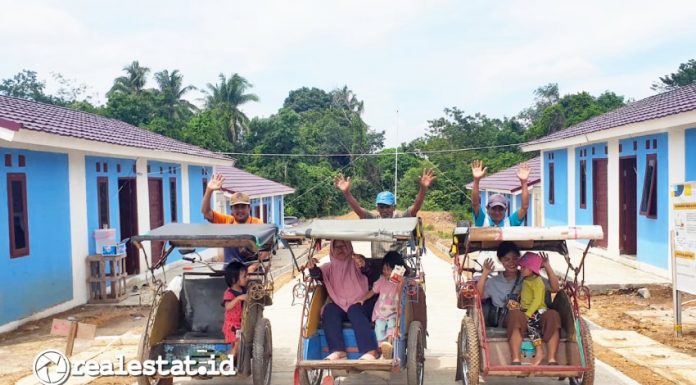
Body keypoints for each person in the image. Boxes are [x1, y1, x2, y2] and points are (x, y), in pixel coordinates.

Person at [476, 242, 561, 366]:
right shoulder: (494, 282)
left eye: (515, 258)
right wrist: (485, 273)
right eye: (507, 259)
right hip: (510, 319)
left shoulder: (530, 275)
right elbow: (479, 296)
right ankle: (516, 359)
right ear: (500, 261)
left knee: (553, 314)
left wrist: (547, 266)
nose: (512, 262)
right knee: (516, 314)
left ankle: (552, 359)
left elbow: (555, 288)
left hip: (534, 316)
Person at [334, 169, 436, 257]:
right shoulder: (374, 219)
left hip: (398, 264)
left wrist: (423, 189)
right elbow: (358, 210)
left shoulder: (401, 218)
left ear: (394, 207)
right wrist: (346, 193)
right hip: (378, 264)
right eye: (381, 207)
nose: (384, 210)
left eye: (387, 207)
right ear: (377, 208)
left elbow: (415, 208)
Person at [306, 240, 379, 360]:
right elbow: (317, 275)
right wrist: (312, 267)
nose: (340, 249)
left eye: (343, 246)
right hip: (340, 305)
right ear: (332, 250)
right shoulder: (328, 268)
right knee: (329, 311)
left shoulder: (358, 263)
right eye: (336, 246)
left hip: (363, 303)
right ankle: (338, 351)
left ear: (349, 247)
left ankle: (371, 351)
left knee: (354, 310)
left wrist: (364, 265)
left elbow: (369, 272)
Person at [201, 173, 263, 264]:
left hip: (251, 270)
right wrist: (209, 190)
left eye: (243, 207)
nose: (240, 210)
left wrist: (252, 268)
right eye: (236, 207)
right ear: (231, 210)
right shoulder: (226, 221)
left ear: (249, 208)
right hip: (230, 270)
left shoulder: (257, 224)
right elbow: (206, 212)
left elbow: (265, 250)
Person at [356, 251, 405, 359]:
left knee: (392, 326)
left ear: (397, 269)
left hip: (394, 312)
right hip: (381, 313)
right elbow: (373, 291)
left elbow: (401, 294)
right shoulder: (381, 280)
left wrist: (400, 281)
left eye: (389, 269)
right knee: (379, 328)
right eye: (384, 269)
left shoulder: (401, 282)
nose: (386, 272)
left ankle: (389, 346)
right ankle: (382, 349)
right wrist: (363, 299)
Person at [470, 160, 530, 227]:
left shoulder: (510, 223)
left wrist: (524, 182)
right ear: (487, 208)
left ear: (506, 209)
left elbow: (524, 207)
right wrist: (476, 180)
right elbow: (475, 204)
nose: (497, 212)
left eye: (500, 209)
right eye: (494, 208)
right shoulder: (482, 221)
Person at [518, 252, 548, 365]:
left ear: (531, 269)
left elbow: (537, 300)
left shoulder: (537, 282)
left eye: (523, 267)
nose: (521, 269)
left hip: (537, 309)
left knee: (531, 326)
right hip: (526, 309)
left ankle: (539, 351)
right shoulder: (526, 279)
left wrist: (528, 314)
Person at [222, 261, 248, 359]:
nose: (247, 278)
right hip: (232, 325)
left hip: (241, 323)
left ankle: (232, 358)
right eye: (244, 276)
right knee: (237, 343)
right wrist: (238, 298)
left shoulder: (244, 290)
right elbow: (228, 306)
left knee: (238, 342)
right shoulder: (229, 293)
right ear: (234, 279)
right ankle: (229, 361)